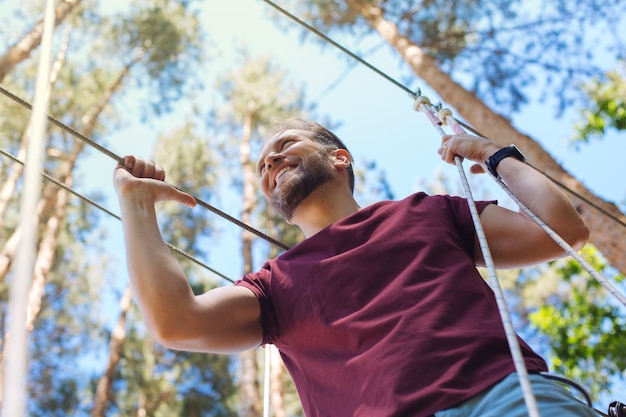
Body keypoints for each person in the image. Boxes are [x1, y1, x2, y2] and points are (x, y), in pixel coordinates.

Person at [113, 119, 593, 417]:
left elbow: (560, 229)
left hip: (508, 400)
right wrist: (136, 207)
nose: (269, 163)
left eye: (284, 145)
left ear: (338, 158)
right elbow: (175, 321)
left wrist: (493, 155)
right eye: (262, 166)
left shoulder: (429, 212)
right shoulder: (274, 287)